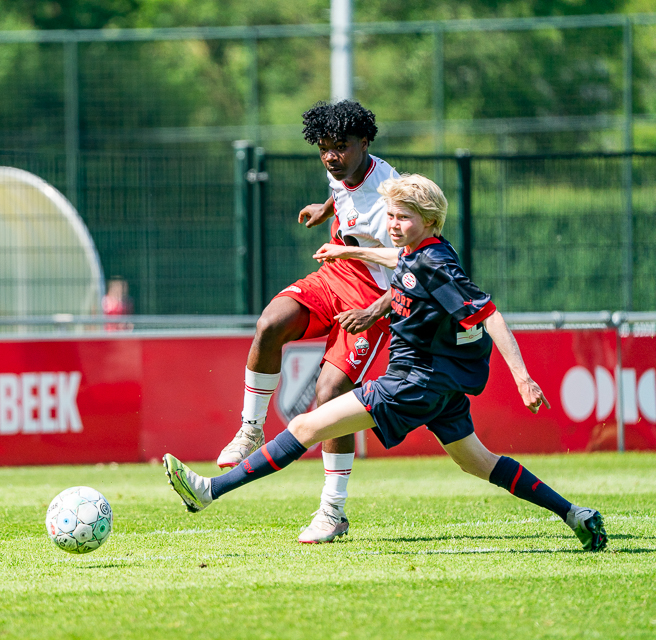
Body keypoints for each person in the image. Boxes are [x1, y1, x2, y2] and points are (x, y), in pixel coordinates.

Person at [165, 174, 607, 553]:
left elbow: (488, 314)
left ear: (430, 222)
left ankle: (208, 492)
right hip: (441, 387)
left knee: (304, 427)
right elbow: (400, 260)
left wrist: (524, 379)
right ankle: (573, 514)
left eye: (404, 218)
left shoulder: (437, 265)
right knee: (478, 461)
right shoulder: (423, 251)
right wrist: (350, 253)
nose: (393, 226)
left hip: (412, 383)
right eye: (391, 216)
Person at [215, 100, 398, 543]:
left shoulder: (393, 195)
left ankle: (332, 511)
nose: (332, 156)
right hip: (334, 274)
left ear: (365, 143)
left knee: (331, 397)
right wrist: (325, 208)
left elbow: (409, 265)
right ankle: (250, 429)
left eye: (341, 147)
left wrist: (373, 311)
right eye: (324, 149)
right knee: (270, 324)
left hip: (375, 297)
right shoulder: (338, 173)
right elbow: (345, 196)